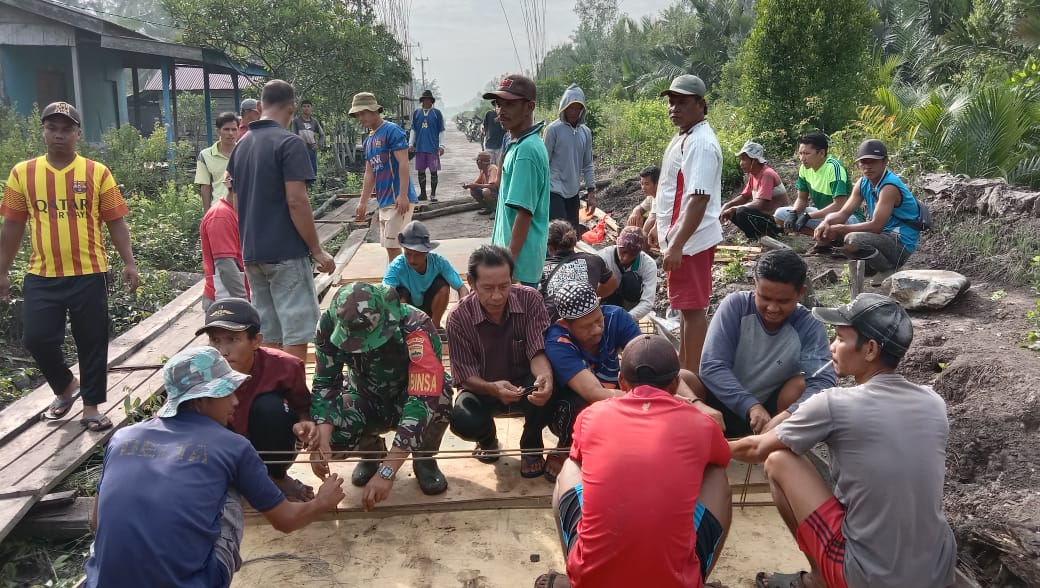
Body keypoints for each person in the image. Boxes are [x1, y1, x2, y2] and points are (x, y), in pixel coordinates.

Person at [730, 293, 957, 588]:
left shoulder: (835, 403)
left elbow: (755, 448)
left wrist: (702, 443)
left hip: (867, 577)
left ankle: (818, 579)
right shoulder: (933, 402)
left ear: (870, 349)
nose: (831, 347)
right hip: (937, 571)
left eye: (840, 339)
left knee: (777, 459)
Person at [85, 347, 346, 588]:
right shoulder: (233, 446)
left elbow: (97, 521)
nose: (235, 402)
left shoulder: (122, 438)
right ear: (200, 401)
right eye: (227, 392)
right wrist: (322, 502)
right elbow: (286, 521)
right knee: (229, 483)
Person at [535, 334, 732, 588]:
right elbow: (721, 457)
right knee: (716, 473)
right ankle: (697, 580)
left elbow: (584, 459)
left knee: (572, 465)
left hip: (592, 580)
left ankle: (576, 578)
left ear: (621, 381)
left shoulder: (592, 415)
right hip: (674, 583)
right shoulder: (702, 424)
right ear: (675, 383)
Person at [0, 101, 139, 432]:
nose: (59, 135)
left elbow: (115, 221)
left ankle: (91, 407)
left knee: (91, 340)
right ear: (43, 131)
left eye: (66, 129)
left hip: (89, 273)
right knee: (36, 339)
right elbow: (13, 225)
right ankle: (65, 386)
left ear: (78, 133)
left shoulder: (97, 172)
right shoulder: (23, 173)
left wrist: (129, 262)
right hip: (42, 274)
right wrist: (2, 270)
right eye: (52, 128)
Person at [311, 282, 453, 505]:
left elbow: (422, 398)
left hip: (407, 399)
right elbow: (325, 382)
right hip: (365, 398)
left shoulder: (415, 325)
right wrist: (323, 439)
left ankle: (423, 458)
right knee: (329, 430)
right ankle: (372, 454)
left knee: (441, 393)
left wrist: (388, 471)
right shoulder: (329, 324)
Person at [226, 79, 335, 363]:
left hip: (253, 253)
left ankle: (274, 389)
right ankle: (293, 390)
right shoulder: (289, 143)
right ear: (291, 108)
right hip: (285, 252)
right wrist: (316, 250)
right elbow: (296, 201)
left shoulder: (241, 146)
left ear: (260, 105)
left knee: (268, 332)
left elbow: (236, 202)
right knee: (296, 331)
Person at [691, 249, 836, 436]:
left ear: (801, 292)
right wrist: (750, 406)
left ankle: (774, 440)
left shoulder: (809, 326)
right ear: (755, 285)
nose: (773, 308)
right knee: (683, 380)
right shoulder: (736, 306)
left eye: (783, 301)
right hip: (717, 401)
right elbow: (712, 365)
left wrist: (788, 414)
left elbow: (822, 381)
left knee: (800, 386)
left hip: (768, 414)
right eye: (765, 298)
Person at [447, 245, 554, 478]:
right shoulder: (458, 318)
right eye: (488, 288)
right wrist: (492, 389)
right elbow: (465, 375)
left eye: (504, 286)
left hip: (525, 386)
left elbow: (537, 351)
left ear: (512, 278)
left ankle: (531, 444)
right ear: (471, 283)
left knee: (551, 387)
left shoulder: (530, 300)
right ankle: (487, 439)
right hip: (482, 390)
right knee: (463, 419)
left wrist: (544, 377)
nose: (497, 296)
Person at [195, 298, 315, 500]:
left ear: (256, 341)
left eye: (232, 339)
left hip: (266, 444)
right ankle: (223, 479)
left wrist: (304, 423)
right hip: (221, 444)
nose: (223, 351)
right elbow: (171, 418)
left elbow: (303, 407)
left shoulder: (286, 366)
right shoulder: (197, 370)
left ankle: (276, 476)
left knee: (271, 408)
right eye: (215, 340)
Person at [656, 74, 723, 372]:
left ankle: (693, 376)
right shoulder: (686, 136)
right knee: (685, 308)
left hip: (691, 241)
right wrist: (654, 224)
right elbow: (673, 187)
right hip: (682, 238)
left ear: (701, 104)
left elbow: (698, 199)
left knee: (693, 310)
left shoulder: (701, 143)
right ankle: (685, 369)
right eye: (671, 102)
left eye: (682, 102)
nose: (674, 108)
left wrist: (677, 244)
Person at [815, 139, 922, 279]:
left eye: (872, 162)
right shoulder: (863, 183)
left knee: (853, 239)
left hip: (900, 243)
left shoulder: (889, 187)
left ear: (884, 161)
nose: (867, 166)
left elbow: (876, 226)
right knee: (833, 231)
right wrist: (826, 223)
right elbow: (843, 213)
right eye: (863, 162)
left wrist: (840, 228)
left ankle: (888, 269)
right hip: (883, 236)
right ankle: (868, 268)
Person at [484, 74, 550, 288]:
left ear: (529, 107)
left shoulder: (526, 151)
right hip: (514, 261)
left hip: (518, 267)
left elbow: (524, 213)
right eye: (498, 104)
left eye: (510, 104)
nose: (501, 110)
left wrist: (507, 265)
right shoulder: (518, 144)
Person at [350, 92, 419, 262]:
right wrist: (363, 202)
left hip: (398, 200)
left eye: (363, 113)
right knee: (392, 248)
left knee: (393, 248)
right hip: (384, 200)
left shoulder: (392, 131)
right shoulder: (368, 141)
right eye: (357, 114)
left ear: (375, 110)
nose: (360, 118)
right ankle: (401, 277)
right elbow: (370, 173)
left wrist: (402, 194)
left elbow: (403, 163)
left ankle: (396, 279)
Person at [774, 132, 857, 253]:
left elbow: (840, 205)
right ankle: (826, 240)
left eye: (807, 153)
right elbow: (802, 199)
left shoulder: (834, 168)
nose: (802, 158)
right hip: (823, 214)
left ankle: (830, 240)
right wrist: (794, 213)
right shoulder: (804, 168)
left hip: (848, 217)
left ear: (821, 153)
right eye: (800, 153)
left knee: (829, 219)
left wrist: (809, 216)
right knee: (780, 214)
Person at [383, 220, 469, 327]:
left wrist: (463, 312)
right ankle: (405, 327)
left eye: (417, 255)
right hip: (406, 308)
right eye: (408, 254)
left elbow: (461, 288)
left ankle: (435, 326)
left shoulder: (439, 262)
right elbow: (384, 294)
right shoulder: (396, 266)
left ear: (426, 252)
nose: (412, 259)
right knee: (395, 294)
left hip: (430, 305)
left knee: (442, 286)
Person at [544, 83, 596, 235]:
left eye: (577, 108)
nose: (573, 112)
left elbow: (588, 164)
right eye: (570, 107)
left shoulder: (585, 132)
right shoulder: (553, 130)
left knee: (572, 235)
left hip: (573, 191)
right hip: (554, 190)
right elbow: (543, 162)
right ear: (564, 107)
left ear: (582, 110)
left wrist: (591, 192)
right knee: (558, 234)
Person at [539, 219, 617, 320]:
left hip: (552, 325)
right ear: (574, 242)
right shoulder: (593, 260)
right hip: (588, 322)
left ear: (549, 247)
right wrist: (586, 295)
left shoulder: (540, 269)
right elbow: (612, 284)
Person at [720, 140, 789, 240]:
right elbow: (744, 197)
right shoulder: (753, 175)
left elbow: (759, 204)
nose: (741, 163)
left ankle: (767, 235)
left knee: (741, 211)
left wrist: (733, 208)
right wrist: (728, 205)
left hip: (778, 222)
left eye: (744, 159)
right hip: (765, 217)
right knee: (734, 211)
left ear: (755, 161)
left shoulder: (767, 174)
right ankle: (755, 237)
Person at [200, 184, 248, 311]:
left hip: (235, 297)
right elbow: (225, 266)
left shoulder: (235, 212)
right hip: (225, 301)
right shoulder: (221, 216)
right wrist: (244, 304)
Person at [596, 226, 658, 320]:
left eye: (632, 254)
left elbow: (647, 302)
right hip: (605, 299)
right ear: (617, 243)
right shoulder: (602, 257)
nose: (625, 258)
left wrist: (626, 318)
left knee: (631, 279)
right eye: (623, 251)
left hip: (629, 306)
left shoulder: (648, 264)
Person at [195, 111, 239, 210]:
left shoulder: (246, 153)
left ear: (238, 130)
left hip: (243, 211)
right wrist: (207, 214)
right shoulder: (205, 155)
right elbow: (205, 187)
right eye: (226, 129)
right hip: (218, 211)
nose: (230, 133)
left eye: (234, 129)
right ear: (218, 131)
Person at [410, 89, 446, 202]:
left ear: (431, 101)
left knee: (433, 171)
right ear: (422, 101)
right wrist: (410, 143)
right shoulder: (417, 113)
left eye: (429, 99)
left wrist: (442, 145)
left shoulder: (437, 113)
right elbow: (413, 130)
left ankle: (433, 194)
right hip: (420, 147)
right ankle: (423, 194)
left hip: (433, 148)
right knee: (421, 171)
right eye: (425, 99)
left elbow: (441, 130)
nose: (426, 101)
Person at [626, 165, 660, 250]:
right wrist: (635, 213)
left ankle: (641, 251)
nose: (643, 187)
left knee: (649, 226)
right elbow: (640, 208)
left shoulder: (662, 196)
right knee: (634, 218)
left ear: (657, 183)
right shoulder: (651, 196)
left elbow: (651, 221)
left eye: (647, 184)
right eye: (642, 184)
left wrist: (642, 235)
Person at [291, 99, 325, 174]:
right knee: (300, 172)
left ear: (311, 108)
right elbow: (293, 136)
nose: (306, 108)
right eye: (304, 106)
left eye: (308, 106)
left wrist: (318, 145)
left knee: (312, 173)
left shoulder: (314, 121)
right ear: (301, 108)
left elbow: (322, 134)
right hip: (300, 149)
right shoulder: (296, 121)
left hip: (311, 149)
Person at [463, 151, 500, 215]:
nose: (477, 163)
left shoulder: (492, 168)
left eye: (477, 161)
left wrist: (476, 185)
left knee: (486, 191)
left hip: (498, 194)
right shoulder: (483, 170)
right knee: (473, 190)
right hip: (492, 193)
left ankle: (495, 210)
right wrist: (469, 185)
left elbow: (493, 186)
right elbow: (476, 183)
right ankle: (488, 208)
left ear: (480, 162)